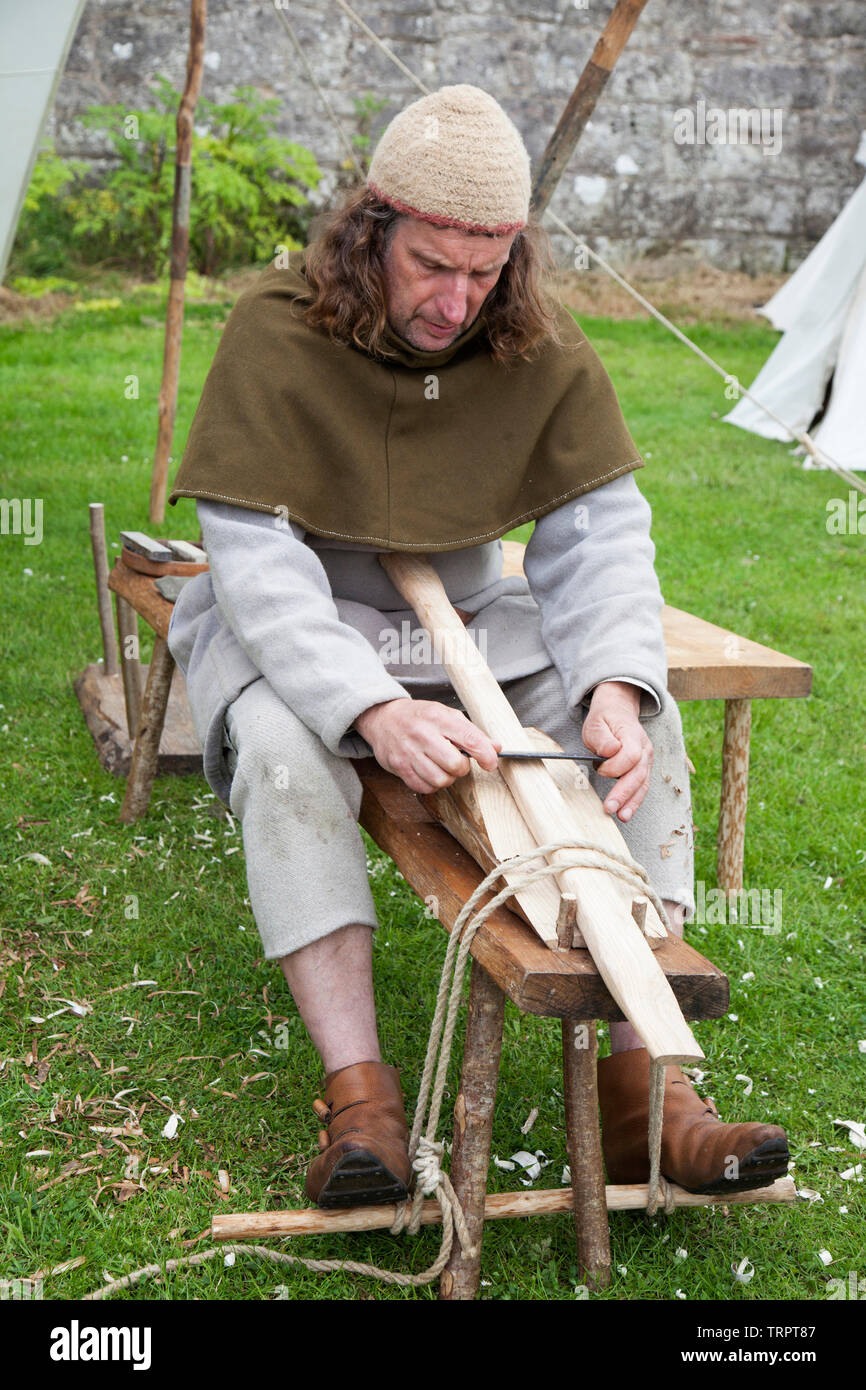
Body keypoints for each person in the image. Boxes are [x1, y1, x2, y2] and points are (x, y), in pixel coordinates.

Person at [166, 85, 789, 1209]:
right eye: (432, 263)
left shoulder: (529, 340)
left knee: (643, 727)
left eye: (484, 267)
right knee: (273, 745)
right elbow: (255, 563)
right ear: (374, 233)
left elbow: (598, 534)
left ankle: (648, 1088)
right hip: (308, 628)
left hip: (466, 630)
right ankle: (358, 1094)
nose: (457, 299)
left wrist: (610, 683)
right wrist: (368, 711)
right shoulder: (274, 329)